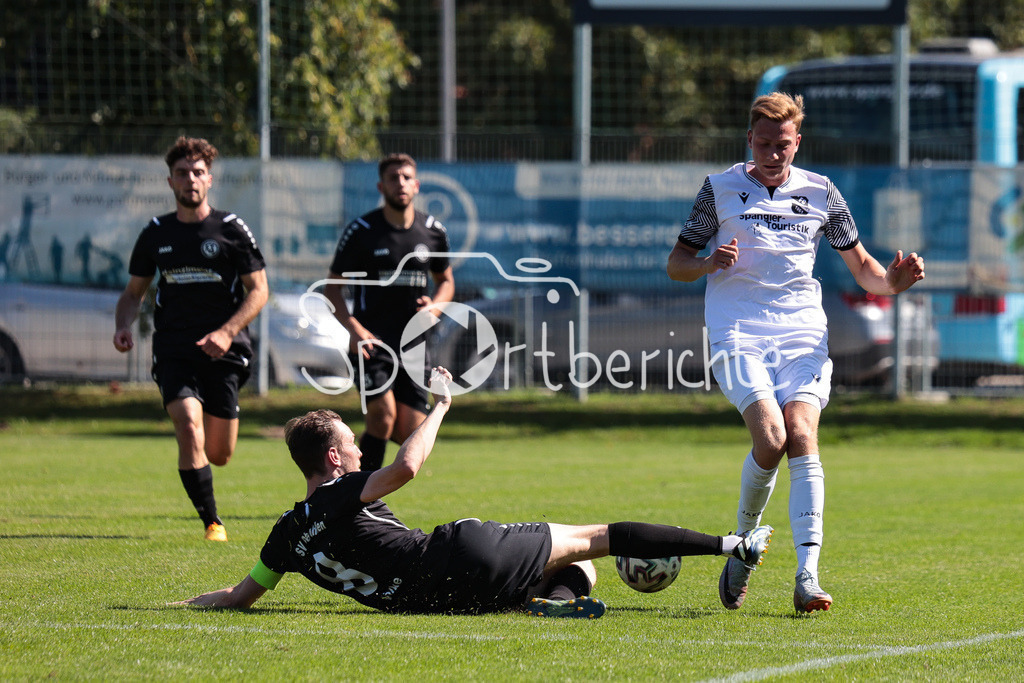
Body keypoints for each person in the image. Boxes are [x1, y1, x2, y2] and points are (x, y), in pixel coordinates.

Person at [174, 367, 774, 617]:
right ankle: (733, 546)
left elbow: (236, 595)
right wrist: (440, 406)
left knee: (578, 569)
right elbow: (406, 467)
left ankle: (550, 604)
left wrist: (182, 605)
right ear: (333, 460)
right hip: (455, 554)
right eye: (351, 444)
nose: (360, 448)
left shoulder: (285, 534)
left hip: (435, 599)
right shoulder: (341, 492)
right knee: (600, 540)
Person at [667, 92, 925, 614]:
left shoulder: (821, 192)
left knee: (802, 434)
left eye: (782, 145)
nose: (772, 153)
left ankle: (808, 575)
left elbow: (864, 269)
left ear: (797, 142)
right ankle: (743, 543)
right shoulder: (718, 190)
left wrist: (893, 283)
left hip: (802, 333)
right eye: (763, 144)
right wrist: (709, 262)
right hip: (737, 330)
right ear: (749, 141)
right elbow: (677, 263)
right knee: (772, 437)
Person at [113, 136, 269, 543]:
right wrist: (123, 325)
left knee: (219, 453)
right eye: (182, 173)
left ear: (210, 179)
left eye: (197, 172)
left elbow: (259, 290)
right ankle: (212, 522)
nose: (190, 179)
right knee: (187, 425)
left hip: (226, 351)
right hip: (174, 347)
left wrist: (227, 331)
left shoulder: (231, 229)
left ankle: (209, 494)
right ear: (170, 182)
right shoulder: (155, 233)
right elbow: (133, 293)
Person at [323, 153, 455, 472]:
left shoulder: (432, 231)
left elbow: (447, 282)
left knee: (411, 432)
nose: (401, 183)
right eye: (393, 178)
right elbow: (332, 288)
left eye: (407, 177)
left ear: (417, 185)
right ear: (381, 186)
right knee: (382, 416)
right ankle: (360, 497)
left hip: (413, 344)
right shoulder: (363, 231)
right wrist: (354, 329)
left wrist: (436, 307)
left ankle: (357, 477)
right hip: (372, 342)